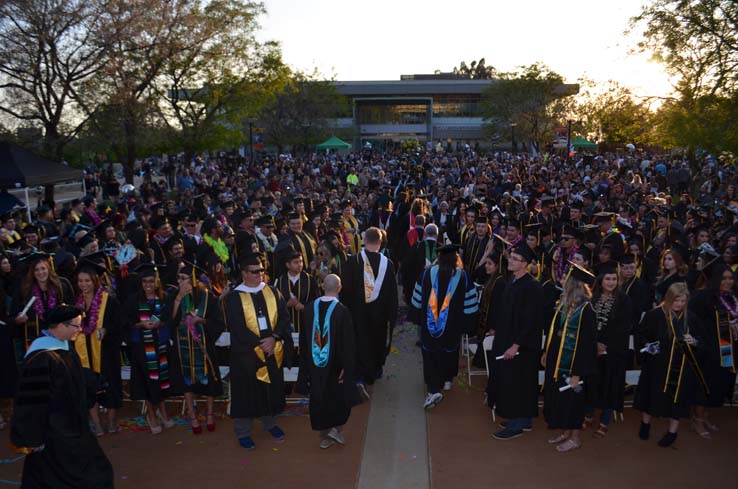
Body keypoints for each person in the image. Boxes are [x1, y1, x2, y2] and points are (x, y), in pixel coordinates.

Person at [10, 305, 114, 488]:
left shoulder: (63, 348)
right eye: (76, 325)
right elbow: (32, 402)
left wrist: (94, 381)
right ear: (59, 326)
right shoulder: (40, 357)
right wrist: (32, 438)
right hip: (53, 433)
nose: (79, 330)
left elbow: (73, 378)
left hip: (73, 426)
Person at [223, 253, 293, 450]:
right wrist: (261, 344)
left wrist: (274, 338)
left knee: (270, 389)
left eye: (262, 270)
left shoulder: (272, 291)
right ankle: (243, 432)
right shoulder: (235, 297)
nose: (259, 274)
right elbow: (237, 327)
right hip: (247, 355)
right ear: (244, 274)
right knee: (246, 393)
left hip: (271, 350)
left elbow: (284, 318)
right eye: (254, 272)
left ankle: (269, 423)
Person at [634, 282, 707, 447]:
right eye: (676, 300)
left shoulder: (691, 318)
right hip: (657, 366)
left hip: (681, 369)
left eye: (683, 301)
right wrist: (649, 346)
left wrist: (694, 341)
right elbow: (641, 335)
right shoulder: (655, 315)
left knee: (677, 402)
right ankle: (645, 424)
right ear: (668, 298)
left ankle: (672, 432)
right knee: (651, 397)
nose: (679, 304)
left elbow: (703, 343)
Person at [486, 242, 545, 440]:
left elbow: (531, 321)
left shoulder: (532, 287)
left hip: (522, 347)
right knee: (514, 382)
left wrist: (515, 345)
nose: (510, 260)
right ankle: (525, 419)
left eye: (515, 259)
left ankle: (517, 423)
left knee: (518, 384)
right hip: (507, 340)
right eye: (510, 257)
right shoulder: (512, 281)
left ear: (525, 264)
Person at [296, 274, 360, 449]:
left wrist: (306, 365)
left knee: (319, 397)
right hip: (336, 366)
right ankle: (335, 430)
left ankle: (325, 434)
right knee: (337, 398)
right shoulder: (342, 311)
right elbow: (348, 344)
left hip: (314, 365)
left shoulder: (309, 309)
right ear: (340, 288)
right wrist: (347, 367)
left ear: (323, 286)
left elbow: (303, 340)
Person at [411, 244, 478, 408]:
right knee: (450, 351)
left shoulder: (427, 274)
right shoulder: (463, 276)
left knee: (430, 354)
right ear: (456, 259)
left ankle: (433, 388)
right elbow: (470, 302)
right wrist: (468, 323)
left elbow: (417, 297)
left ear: (439, 258)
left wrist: (416, 316)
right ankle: (447, 380)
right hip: (453, 325)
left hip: (429, 324)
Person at [542, 263, 597, 452]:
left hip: (574, 367)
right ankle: (565, 431)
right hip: (557, 362)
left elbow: (587, 347)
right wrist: (547, 352)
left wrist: (578, 373)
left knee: (573, 403)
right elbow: (554, 332)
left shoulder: (586, 311)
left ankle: (575, 437)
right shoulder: (566, 306)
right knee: (561, 399)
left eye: (566, 278)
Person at [169, 261, 224, 434]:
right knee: (187, 384)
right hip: (182, 348)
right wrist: (178, 299)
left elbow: (219, 322)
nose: (179, 282)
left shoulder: (208, 297)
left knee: (209, 383)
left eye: (183, 278)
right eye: (178, 278)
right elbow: (169, 321)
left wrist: (202, 321)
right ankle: (192, 416)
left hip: (204, 347)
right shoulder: (174, 296)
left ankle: (209, 414)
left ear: (192, 280)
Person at [341, 227, 398, 390]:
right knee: (377, 341)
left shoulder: (353, 261)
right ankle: (374, 371)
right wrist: (391, 316)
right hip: (379, 315)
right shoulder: (388, 264)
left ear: (364, 241)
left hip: (357, 313)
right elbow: (392, 294)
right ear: (380, 242)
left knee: (360, 342)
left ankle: (360, 374)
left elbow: (345, 291)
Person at [123, 263, 176, 434]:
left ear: (157, 282)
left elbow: (170, 319)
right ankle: (151, 415)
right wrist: (141, 324)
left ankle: (163, 412)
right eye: (145, 281)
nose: (148, 285)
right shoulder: (133, 300)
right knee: (146, 383)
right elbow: (126, 322)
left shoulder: (165, 298)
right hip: (142, 349)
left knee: (161, 381)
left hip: (160, 346)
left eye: (151, 281)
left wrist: (160, 323)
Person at [584, 261, 634, 438]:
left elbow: (623, 327)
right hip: (593, 350)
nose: (611, 282)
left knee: (610, 386)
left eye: (614, 278)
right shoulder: (593, 297)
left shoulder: (624, 300)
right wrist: (594, 344)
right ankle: (589, 414)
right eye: (608, 279)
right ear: (601, 280)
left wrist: (606, 346)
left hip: (614, 352)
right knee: (592, 383)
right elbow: (587, 324)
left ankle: (605, 421)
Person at [73, 260, 123, 436]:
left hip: (106, 352)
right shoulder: (76, 303)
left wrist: (107, 329)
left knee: (111, 386)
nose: (84, 284)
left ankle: (110, 421)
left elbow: (120, 325)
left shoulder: (109, 301)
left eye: (87, 280)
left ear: (95, 281)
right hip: (83, 353)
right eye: (80, 281)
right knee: (88, 388)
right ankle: (96, 423)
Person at [688, 264, 738, 437]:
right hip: (708, 349)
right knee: (705, 384)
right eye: (724, 278)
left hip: (727, 349)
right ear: (716, 279)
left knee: (718, 384)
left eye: (731, 278)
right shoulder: (703, 297)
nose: (728, 281)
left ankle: (705, 416)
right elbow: (690, 318)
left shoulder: (732, 297)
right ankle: (697, 420)